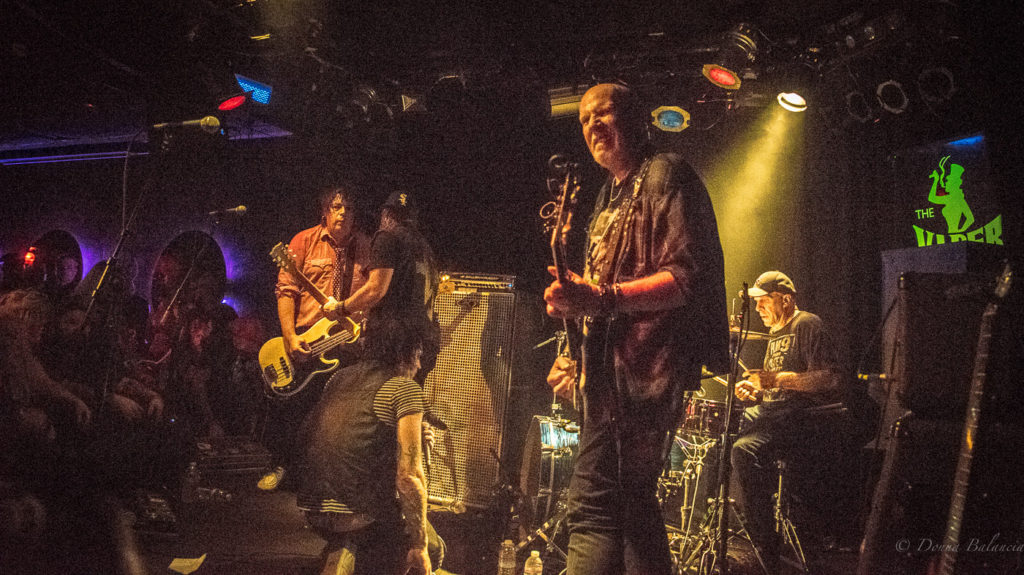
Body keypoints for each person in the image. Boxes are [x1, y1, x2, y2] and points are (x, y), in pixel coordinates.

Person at [544, 83, 729, 574]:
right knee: (632, 510)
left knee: (593, 504)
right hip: (609, 378)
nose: (592, 126)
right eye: (583, 119)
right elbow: (598, 300)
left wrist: (601, 299)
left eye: (603, 113)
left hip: (645, 376)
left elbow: (685, 279)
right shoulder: (609, 195)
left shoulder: (667, 173)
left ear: (637, 119)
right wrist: (575, 340)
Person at [296, 314, 444, 575]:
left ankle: (344, 549)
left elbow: (350, 439)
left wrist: (413, 440)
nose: (420, 365)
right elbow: (409, 477)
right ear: (404, 353)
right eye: (419, 355)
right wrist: (419, 545)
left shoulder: (338, 378)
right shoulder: (404, 388)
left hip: (313, 509)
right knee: (432, 548)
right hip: (360, 514)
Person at [730, 270, 849, 573]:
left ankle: (766, 544)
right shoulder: (774, 334)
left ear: (786, 299)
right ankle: (740, 525)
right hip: (772, 414)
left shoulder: (807, 324)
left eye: (763, 302)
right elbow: (773, 388)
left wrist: (776, 380)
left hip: (799, 419)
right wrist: (754, 391)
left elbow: (830, 378)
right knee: (725, 437)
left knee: (744, 451)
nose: (757, 309)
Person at [260, 184, 373, 491]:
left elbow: (373, 294)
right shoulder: (304, 241)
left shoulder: (365, 246)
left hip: (346, 345)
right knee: (294, 406)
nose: (343, 213)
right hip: (307, 339)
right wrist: (289, 337)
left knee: (336, 413)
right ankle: (281, 464)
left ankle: (323, 475)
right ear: (325, 212)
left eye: (348, 208)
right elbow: (286, 290)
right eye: (337, 207)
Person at [323, 190, 440, 383]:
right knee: (405, 407)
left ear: (386, 215)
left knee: (377, 404)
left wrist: (340, 308)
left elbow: (376, 289)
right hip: (424, 343)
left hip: (394, 345)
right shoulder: (425, 248)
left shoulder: (387, 237)